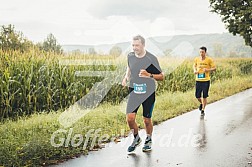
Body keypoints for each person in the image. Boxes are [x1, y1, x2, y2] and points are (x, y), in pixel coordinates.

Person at [122, 35, 164, 153]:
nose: (135, 48)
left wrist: (149, 75)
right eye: (133, 45)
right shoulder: (130, 56)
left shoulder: (151, 59)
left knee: (146, 120)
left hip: (148, 93)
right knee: (130, 118)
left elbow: (162, 76)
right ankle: (136, 138)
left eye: (137, 45)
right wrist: (126, 78)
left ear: (143, 45)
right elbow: (129, 68)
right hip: (134, 91)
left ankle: (148, 139)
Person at [193, 46, 216, 116]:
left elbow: (214, 68)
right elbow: (194, 66)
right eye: (200, 52)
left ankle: (202, 110)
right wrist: (195, 70)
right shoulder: (196, 59)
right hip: (198, 80)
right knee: (197, 96)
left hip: (206, 80)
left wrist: (207, 70)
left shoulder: (209, 60)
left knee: (204, 96)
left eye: (202, 52)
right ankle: (202, 103)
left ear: (205, 52)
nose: (201, 53)